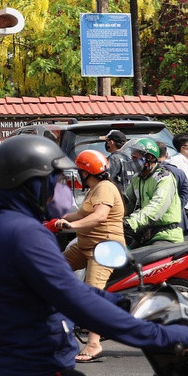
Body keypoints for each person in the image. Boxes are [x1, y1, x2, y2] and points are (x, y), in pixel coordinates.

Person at [0, 135, 188, 376]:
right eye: (54, 180)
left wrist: (122, 301)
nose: (61, 189)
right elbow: (77, 302)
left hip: (6, 370)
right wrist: (167, 336)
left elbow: (65, 291)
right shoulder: (25, 233)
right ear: (30, 184)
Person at [54, 149, 127, 363]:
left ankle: (94, 343)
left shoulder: (104, 188)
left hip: (105, 247)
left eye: (79, 171)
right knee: (54, 268)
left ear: (86, 172)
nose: (78, 174)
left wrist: (72, 225)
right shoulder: (94, 189)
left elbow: (100, 216)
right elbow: (81, 214)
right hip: (86, 246)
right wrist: (59, 219)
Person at [124, 138, 183, 245]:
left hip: (165, 235)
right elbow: (128, 203)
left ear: (149, 158)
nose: (132, 161)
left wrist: (131, 222)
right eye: (132, 157)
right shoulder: (137, 178)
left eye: (135, 158)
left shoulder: (164, 177)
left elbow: (156, 206)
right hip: (144, 234)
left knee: (145, 259)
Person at [157, 142, 188, 235]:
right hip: (177, 222)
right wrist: (177, 207)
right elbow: (186, 193)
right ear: (167, 154)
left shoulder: (145, 173)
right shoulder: (177, 171)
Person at [101, 129, 136, 212]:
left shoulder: (113, 159)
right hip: (131, 200)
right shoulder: (129, 157)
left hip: (119, 200)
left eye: (107, 141)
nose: (106, 144)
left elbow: (106, 179)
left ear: (111, 142)